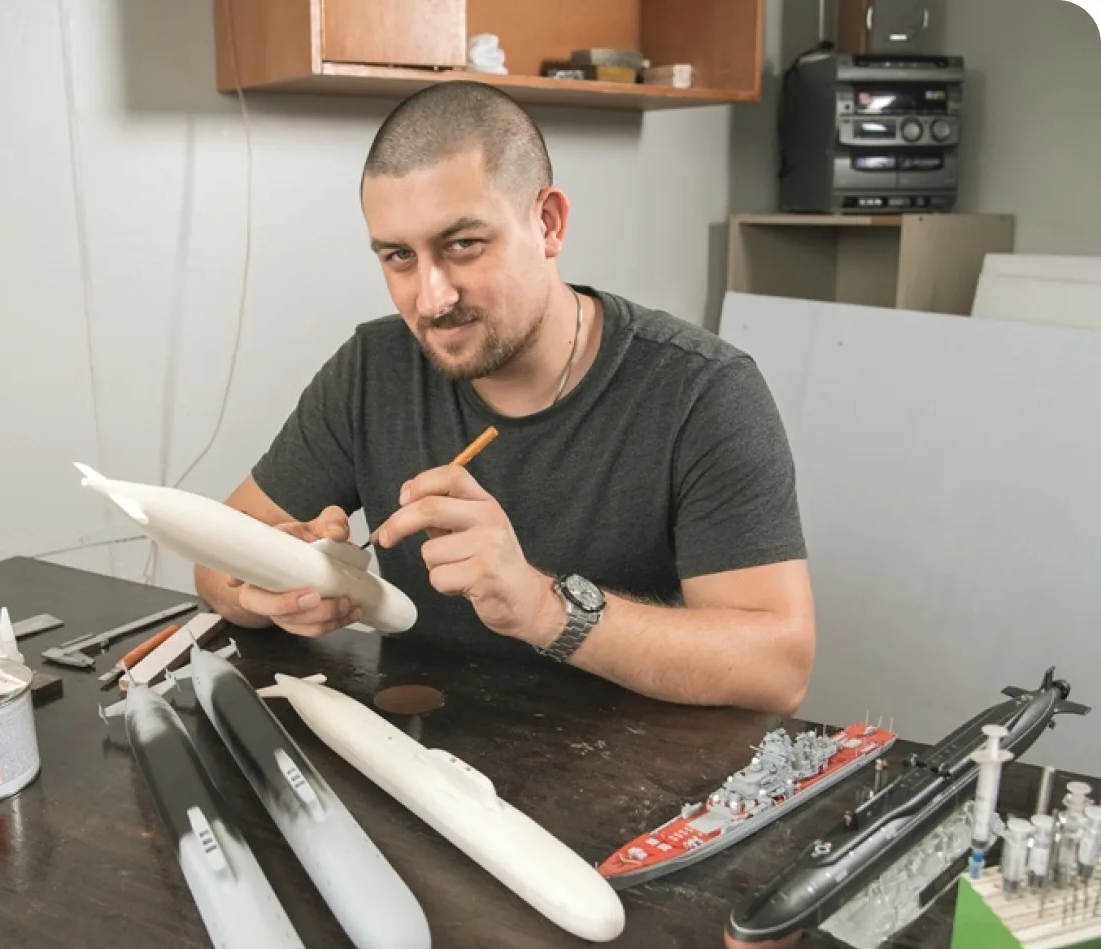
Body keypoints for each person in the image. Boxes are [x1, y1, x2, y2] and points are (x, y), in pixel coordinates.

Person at [194, 81, 815, 716]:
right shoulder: (374, 368)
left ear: (548, 223)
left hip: (631, 757)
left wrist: (544, 610)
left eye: (463, 245)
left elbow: (777, 668)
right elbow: (214, 561)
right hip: (422, 743)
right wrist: (273, 584)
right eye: (399, 256)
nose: (432, 298)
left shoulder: (701, 390)